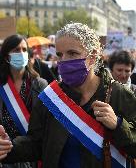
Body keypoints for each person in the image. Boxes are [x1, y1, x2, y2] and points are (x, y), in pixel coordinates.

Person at [0, 23, 136, 168]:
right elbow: (36, 143)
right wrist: (8, 148)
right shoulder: (50, 97)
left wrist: (118, 125)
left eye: (72, 53)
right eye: (59, 54)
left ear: (93, 56)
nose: (63, 60)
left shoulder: (120, 95)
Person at [0, 34, 48, 168]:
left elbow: (46, 124)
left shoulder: (40, 85)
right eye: (16, 50)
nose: (21, 53)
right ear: (6, 56)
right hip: (4, 156)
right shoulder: (1, 85)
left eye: (24, 50)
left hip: (33, 157)